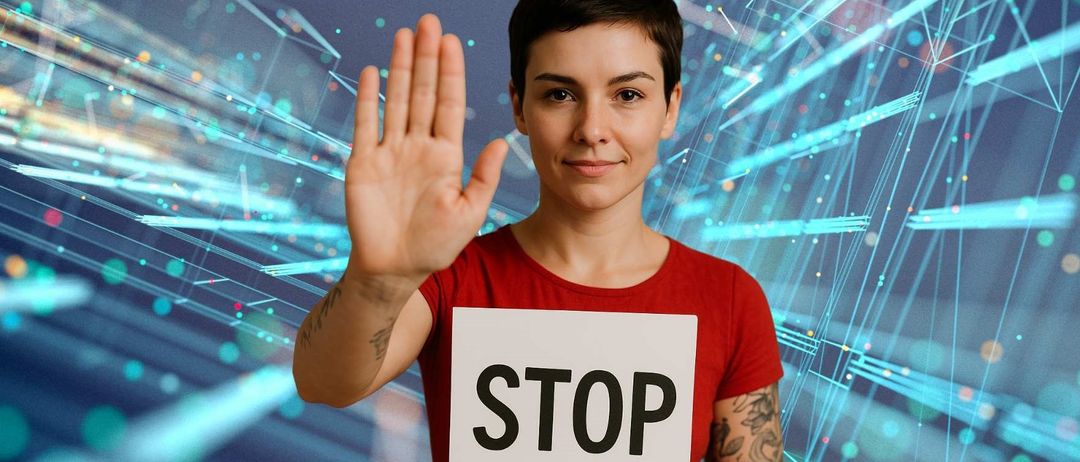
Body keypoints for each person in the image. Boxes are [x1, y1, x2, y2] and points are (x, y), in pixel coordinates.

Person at [292, 1, 785, 461]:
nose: (592, 128)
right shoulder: (449, 274)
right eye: (560, 94)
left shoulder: (729, 299)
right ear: (519, 107)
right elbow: (325, 383)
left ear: (671, 108)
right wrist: (379, 280)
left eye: (628, 94)